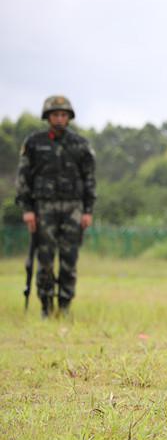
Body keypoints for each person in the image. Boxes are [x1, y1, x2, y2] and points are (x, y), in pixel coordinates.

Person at [15, 95, 96, 318]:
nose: (59, 119)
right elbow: (23, 178)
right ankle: (46, 306)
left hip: (73, 209)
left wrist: (88, 211)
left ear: (69, 118)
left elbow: (89, 179)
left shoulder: (80, 145)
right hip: (44, 209)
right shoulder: (34, 143)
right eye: (55, 114)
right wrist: (28, 210)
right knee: (45, 260)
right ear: (47, 117)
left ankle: (65, 306)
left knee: (69, 259)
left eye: (63, 115)